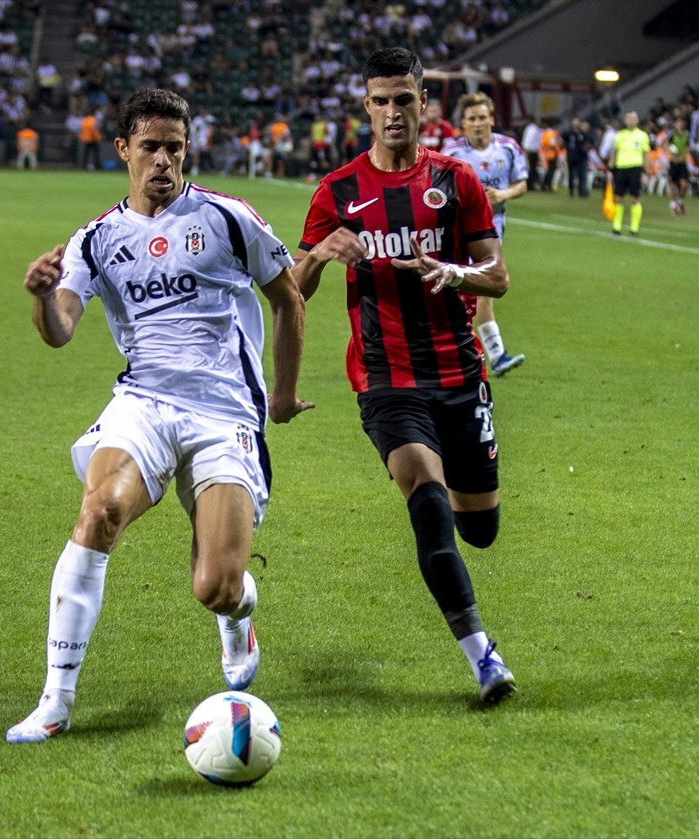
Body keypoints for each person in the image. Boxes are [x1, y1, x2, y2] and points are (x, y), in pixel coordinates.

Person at [6, 88, 312, 743]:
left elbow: (290, 298)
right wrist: (40, 298)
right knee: (98, 512)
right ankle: (55, 701)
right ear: (123, 150)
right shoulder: (97, 239)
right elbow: (61, 329)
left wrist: (281, 394)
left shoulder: (229, 219)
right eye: (150, 146)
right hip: (142, 402)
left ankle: (240, 607)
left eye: (175, 146)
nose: (164, 160)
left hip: (224, 411)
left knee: (215, 584)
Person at [292, 48, 517, 705]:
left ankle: (452, 501)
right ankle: (483, 658)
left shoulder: (456, 181)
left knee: (480, 528)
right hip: (384, 377)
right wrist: (323, 254)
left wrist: (459, 273)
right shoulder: (337, 192)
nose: (393, 112)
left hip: (459, 370)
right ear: (366, 107)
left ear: (425, 103)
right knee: (424, 496)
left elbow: (497, 274)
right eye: (381, 101)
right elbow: (292, 291)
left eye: (404, 99)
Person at [444, 91, 528, 377]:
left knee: (479, 291)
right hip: (460, 230)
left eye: (482, 117)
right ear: (463, 123)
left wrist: (503, 193)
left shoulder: (507, 148)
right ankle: (492, 354)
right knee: (476, 290)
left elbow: (522, 183)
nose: (477, 123)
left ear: (491, 119)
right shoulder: (451, 152)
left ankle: (483, 352)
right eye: (471, 118)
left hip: (494, 228)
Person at [607, 109, 653, 236]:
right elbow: (614, 153)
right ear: (625, 120)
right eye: (629, 118)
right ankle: (616, 227)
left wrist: (645, 172)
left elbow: (645, 155)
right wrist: (610, 170)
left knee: (635, 198)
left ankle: (634, 229)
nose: (632, 120)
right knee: (618, 198)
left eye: (634, 118)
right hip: (620, 168)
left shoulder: (642, 136)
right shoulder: (620, 135)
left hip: (635, 169)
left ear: (637, 120)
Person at [666, 116, 691, 215]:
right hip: (673, 162)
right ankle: (673, 205)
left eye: (681, 122)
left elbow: (687, 147)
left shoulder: (686, 135)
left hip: (682, 163)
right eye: (678, 122)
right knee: (672, 184)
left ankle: (681, 202)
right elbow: (667, 146)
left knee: (684, 184)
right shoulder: (672, 135)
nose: (680, 124)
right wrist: (672, 156)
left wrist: (682, 157)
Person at [563, 116, 592, 198]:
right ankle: (571, 191)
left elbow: (588, 143)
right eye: (574, 121)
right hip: (571, 156)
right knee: (571, 175)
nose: (576, 123)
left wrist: (585, 149)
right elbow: (562, 141)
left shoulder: (583, 134)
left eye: (577, 121)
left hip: (581, 157)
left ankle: (582, 191)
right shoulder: (568, 133)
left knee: (582, 174)